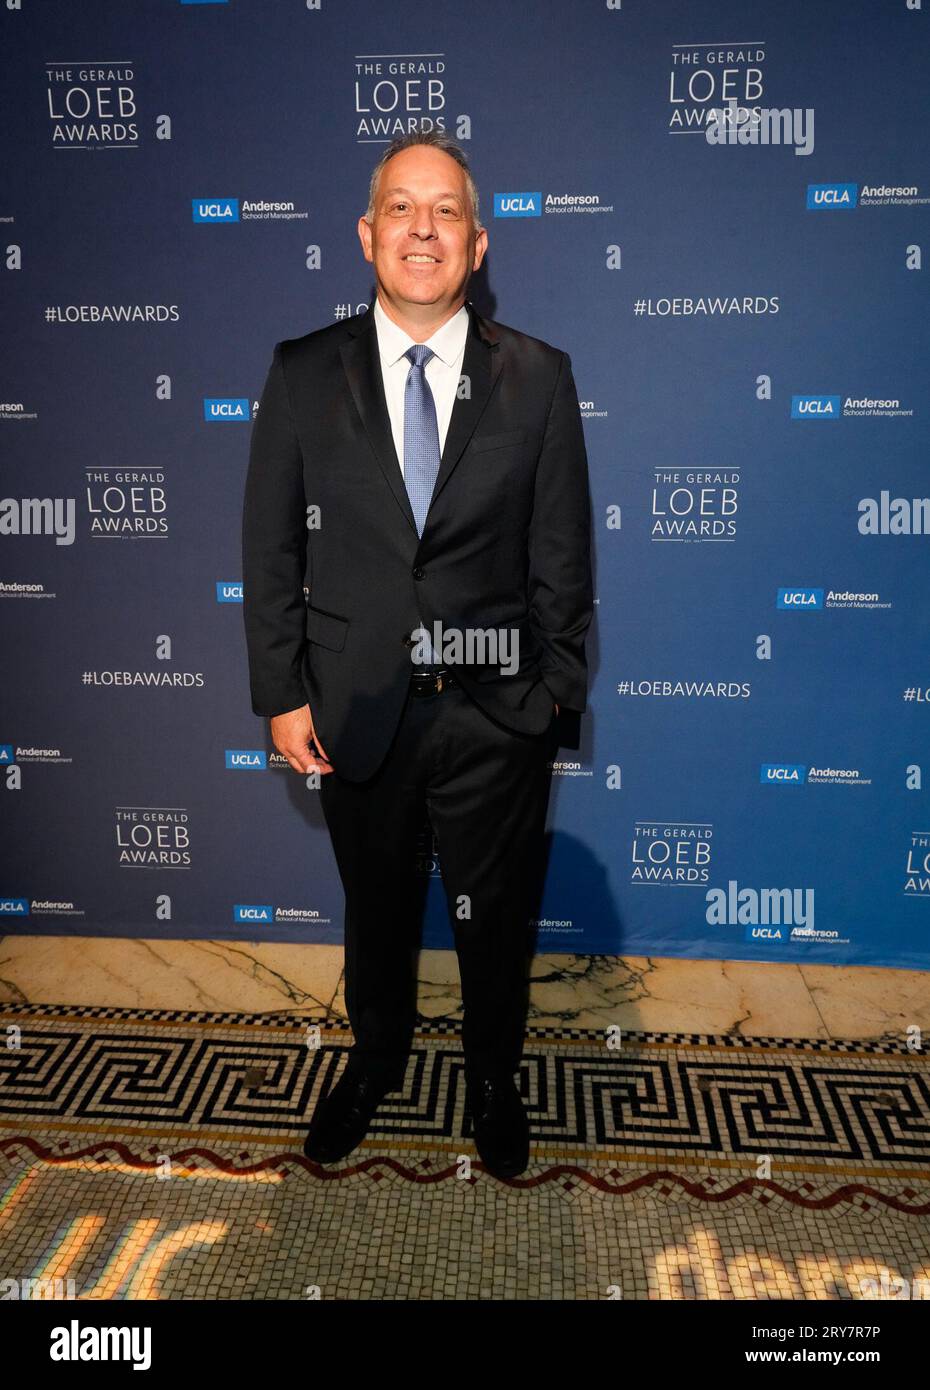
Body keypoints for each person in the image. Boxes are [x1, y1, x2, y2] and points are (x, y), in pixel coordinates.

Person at [241, 127, 592, 1177]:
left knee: (497, 922)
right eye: (402, 207)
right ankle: (374, 1062)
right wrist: (280, 691)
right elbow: (268, 544)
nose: (423, 228)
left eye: (446, 211)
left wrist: (548, 701)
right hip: (358, 706)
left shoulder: (538, 377)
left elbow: (562, 557)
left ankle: (493, 1078)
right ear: (367, 234)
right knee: (376, 910)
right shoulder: (303, 373)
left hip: (495, 719)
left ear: (478, 245)